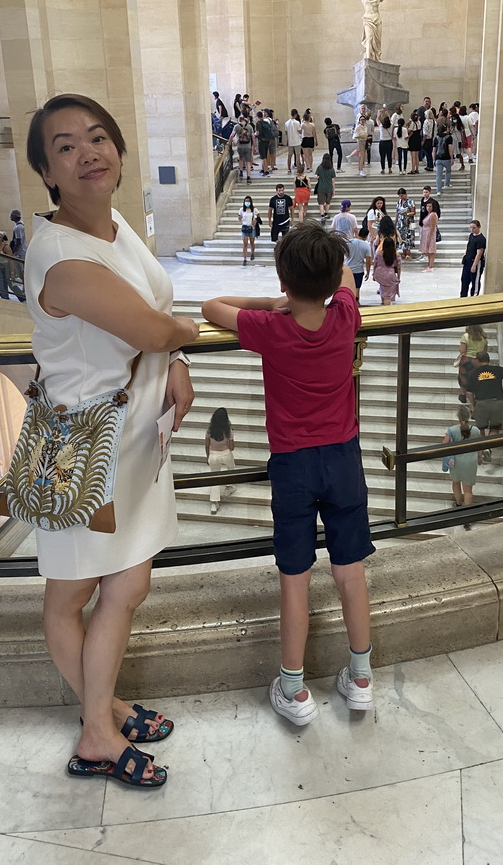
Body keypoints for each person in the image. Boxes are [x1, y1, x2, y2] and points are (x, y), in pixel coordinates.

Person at [23, 92, 198, 789]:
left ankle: (107, 707)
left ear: (119, 152)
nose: (88, 152)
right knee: (70, 597)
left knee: (128, 582)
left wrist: (178, 361)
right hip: (80, 449)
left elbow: (157, 305)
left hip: (129, 444)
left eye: (98, 137)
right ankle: (96, 732)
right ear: (47, 172)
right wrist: (180, 340)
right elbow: (155, 327)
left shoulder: (116, 226)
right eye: (66, 146)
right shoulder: (60, 255)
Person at [201, 225, 375, 725]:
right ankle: (360, 678)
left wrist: (269, 302)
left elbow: (212, 307)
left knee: (295, 579)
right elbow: (346, 276)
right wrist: (329, 276)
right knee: (351, 572)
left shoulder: (271, 328)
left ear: (283, 280)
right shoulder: (345, 315)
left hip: (293, 464)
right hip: (344, 458)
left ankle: (295, 690)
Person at [466, 352, 503, 461]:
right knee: (494, 427)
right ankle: (489, 447)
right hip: (497, 403)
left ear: (477, 360)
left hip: (481, 404)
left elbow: (469, 393)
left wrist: (473, 405)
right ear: (488, 359)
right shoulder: (497, 369)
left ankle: (483, 448)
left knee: (481, 428)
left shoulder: (473, 373)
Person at [442, 405, 483, 518]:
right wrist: (480, 457)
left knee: (456, 482)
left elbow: (444, 444)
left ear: (457, 416)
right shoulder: (475, 430)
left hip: (456, 460)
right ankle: (467, 515)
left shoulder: (452, 430)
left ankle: (458, 504)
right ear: (469, 416)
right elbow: (480, 446)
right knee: (468, 489)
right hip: (470, 461)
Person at [205, 407, 236, 515]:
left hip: (213, 454)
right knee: (231, 468)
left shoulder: (210, 429)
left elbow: (207, 444)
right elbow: (232, 447)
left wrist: (207, 456)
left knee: (214, 477)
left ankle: (214, 503)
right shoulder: (228, 431)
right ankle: (229, 486)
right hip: (226, 453)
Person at [457, 324, 488, 404]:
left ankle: (463, 395)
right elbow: (484, 351)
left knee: (463, 378)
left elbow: (462, 350)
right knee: (476, 379)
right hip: (478, 361)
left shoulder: (466, 336)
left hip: (466, 361)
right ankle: (475, 395)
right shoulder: (483, 338)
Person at [372, 234, 401, 304]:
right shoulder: (396, 255)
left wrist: (374, 274)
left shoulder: (378, 253)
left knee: (382, 288)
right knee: (388, 294)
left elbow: (375, 264)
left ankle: (382, 302)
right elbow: (399, 267)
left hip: (379, 273)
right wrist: (398, 277)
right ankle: (386, 307)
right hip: (390, 274)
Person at [346, 226, 372, 303]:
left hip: (348, 268)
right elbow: (368, 260)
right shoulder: (366, 246)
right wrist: (368, 272)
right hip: (358, 270)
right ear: (366, 236)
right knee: (357, 288)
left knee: (348, 287)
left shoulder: (349, 242)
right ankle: (356, 303)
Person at [461, 220, 486, 297]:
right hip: (467, 261)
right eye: (471, 228)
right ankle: (463, 297)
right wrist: (465, 255)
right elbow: (469, 247)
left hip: (475, 262)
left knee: (475, 281)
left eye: (474, 228)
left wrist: (474, 265)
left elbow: (479, 253)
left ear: (479, 227)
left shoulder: (481, 239)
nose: (472, 230)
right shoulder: (471, 235)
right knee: (464, 280)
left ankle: (474, 297)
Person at [230, 116, 254, 182]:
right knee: (248, 162)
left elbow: (232, 135)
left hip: (240, 146)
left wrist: (229, 142)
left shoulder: (237, 126)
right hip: (248, 146)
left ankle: (241, 171)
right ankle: (248, 177)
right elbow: (253, 136)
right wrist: (254, 145)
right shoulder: (249, 126)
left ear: (239, 120)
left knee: (241, 158)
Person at [314, 153, 336, 222]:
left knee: (321, 202)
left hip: (321, 188)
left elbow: (315, 176)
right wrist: (334, 190)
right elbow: (333, 181)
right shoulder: (331, 169)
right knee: (328, 202)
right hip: (329, 188)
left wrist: (318, 177)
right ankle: (326, 213)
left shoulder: (319, 168)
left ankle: (322, 215)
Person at [395, 188, 416, 259]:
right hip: (400, 223)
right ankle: (404, 252)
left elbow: (414, 212)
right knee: (401, 237)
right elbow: (397, 213)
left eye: (402, 195)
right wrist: (395, 222)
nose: (401, 197)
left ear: (405, 194)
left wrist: (406, 214)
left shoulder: (410, 201)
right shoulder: (399, 202)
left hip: (409, 223)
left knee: (408, 238)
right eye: (399, 196)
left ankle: (408, 253)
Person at [433, 125, 453, 196]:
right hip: (446, 158)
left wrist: (434, 160)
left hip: (438, 158)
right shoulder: (449, 137)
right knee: (448, 171)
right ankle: (446, 184)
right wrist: (452, 158)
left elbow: (434, 150)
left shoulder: (436, 138)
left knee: (438, 175)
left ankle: (438, 190)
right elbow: (450, 149)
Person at [419, 199, 438, 272]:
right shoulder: (428, 214)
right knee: (428, 250)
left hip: (430, 233)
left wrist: (429, 237)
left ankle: (431, 266)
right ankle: (429, 265)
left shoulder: (433, 215)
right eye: (427, 206)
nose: (428, 208)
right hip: (426, 232)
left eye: (430, 206)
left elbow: (432, 227)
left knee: (431, 250)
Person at [238, 195, 257, 265]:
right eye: (246, 201)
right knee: (245, 243)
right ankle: (245, 258)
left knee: (252, 242)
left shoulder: (254, 210)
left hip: (251, 227)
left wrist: (255, 221)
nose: (247, 203)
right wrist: (240, 217)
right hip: (245, 227)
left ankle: (252, 253)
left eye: (248, 201)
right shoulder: (241, 210)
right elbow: (239, 218)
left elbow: (257, 216)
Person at [254, 111, 271, 177]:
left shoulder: (258, 123)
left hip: (261, 140)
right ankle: (263, 168)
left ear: (257, 116)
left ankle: (266, 170)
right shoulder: (266, 122)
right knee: (265, 155)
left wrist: (253, 134)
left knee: (263, 156)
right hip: (267, 140)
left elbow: (257, 133)